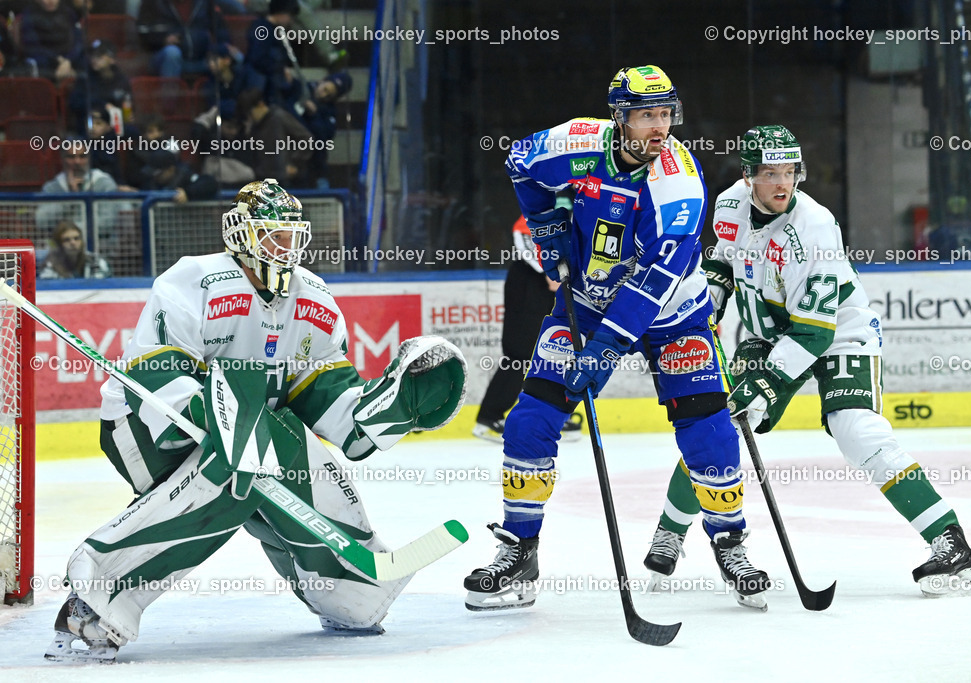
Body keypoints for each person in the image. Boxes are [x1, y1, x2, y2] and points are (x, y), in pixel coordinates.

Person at [44, 179, 467, 663]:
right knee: (238, 460)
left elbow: (329, 402)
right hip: (142, 427)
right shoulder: (195, 281)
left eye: (292, 236)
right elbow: (157, 376)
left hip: (250, 433)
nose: (285, 248)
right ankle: (96, 597)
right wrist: (225, 421)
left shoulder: (316, 303)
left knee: (281, 447)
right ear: (240, 234)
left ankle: (352, 594)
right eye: (273, 235)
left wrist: (388, 410)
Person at [463, 66, 771, 612]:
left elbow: (656, 280)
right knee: (532, 417)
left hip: (672, 312)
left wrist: (604, 347)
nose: (660, 127)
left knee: (705, 422)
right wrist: (551, 228)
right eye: (647, 115)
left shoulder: (677, 182)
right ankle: (519, 552)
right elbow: (520, 163)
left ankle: (730, 542)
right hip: (584, 299)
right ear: (620, 117)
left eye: (666, 114)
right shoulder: (576, 142)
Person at [671, 124, 971, 595]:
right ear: (749, 175)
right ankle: (669, 536)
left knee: (856, 428)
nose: (782, 183)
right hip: (769, 330)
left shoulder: (815, 228)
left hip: (838, 332)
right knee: (723, 423)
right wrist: (709, 298)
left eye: (790, 172)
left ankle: (951, 545)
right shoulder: (730, 204)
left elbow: (815, 333)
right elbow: (724, 261)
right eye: (770, 172)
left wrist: (767, 384)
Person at [473, 204, 582, 444]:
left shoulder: (594, 195)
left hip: (558, 281)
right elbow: (522, 232)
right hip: (531, 282)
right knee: (519, 352)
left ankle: (553, 415)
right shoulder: (554, 194)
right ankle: (490, 417)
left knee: (556, 349)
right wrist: (547, 270)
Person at [38, 220, 111, 279]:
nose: (73, 243)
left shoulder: (96, 261)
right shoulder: (50, 265)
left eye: (76, 238)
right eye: (66, 240)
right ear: (59, 244)